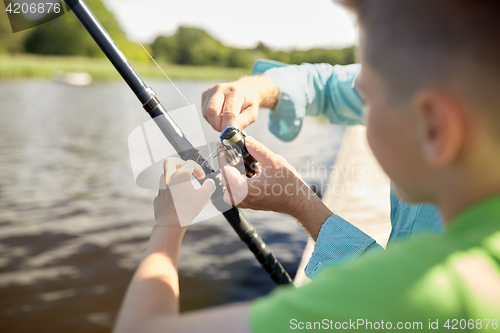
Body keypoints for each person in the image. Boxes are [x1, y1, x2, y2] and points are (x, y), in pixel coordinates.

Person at [113, 0, 500, 332]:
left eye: (368, 101)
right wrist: (260, 91)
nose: (360, 113)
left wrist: (168, 224)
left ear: (434, 128)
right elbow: (329, 85)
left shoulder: (423, 291)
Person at [202, 59, 444, 278]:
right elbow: (328, 84)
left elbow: (399, 295)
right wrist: (255, 88)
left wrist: (301, 204)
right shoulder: (421, 73)